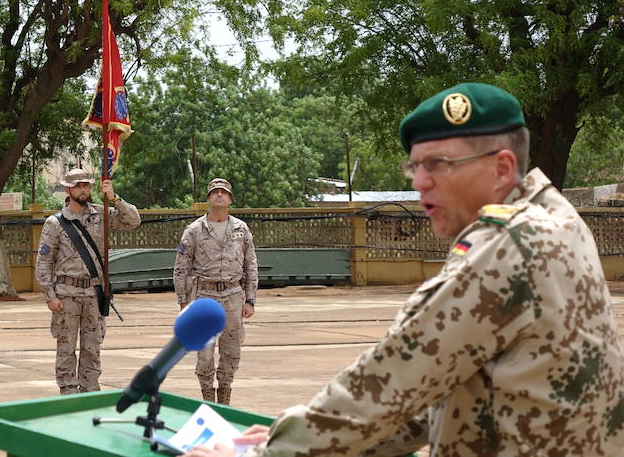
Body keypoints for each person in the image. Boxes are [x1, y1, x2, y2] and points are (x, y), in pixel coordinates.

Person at [186, 83, 624, 456]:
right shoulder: (555, 218)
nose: (419, 181)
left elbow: (388, 382)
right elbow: (423, 399)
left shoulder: (511, 247)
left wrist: (271, 451)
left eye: (438, 165)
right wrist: (292, 440)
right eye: (414, 166)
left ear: (502, 167)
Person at [35, 168, 141, 395]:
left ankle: (90, 394)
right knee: (66, 349)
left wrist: (114, 197)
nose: (83, 189)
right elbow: (44, 262)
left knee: (92, 349)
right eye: (77, 185)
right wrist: (49, 296)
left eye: (86, 185)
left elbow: (133, 221)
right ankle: (68, 396)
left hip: (94, 294)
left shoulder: (101, 215)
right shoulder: (55, 223)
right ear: (68, 189)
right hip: (66, 295)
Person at [173, 178, 258, 406]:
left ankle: (225, 398)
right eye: (215, 192)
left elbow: (250, 264)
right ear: (208, 198)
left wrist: (250, 299)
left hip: (233, 295)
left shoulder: (241, 228)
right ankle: (207, 398)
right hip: (204, 297)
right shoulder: (194, 230)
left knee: (231, 350)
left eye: (224, 192)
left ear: (230, 199)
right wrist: (183, 301)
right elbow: (181, 267)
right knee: (206, 353)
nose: (219, 195)